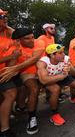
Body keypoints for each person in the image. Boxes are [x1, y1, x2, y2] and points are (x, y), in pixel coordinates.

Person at [0, 28, 44, 135]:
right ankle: (26, 113)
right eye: (27, 39)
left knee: (35, 88)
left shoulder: (39, 42)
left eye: (32, 37)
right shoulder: (13, 49)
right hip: (25, 73)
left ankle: (28, 115)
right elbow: (10, 71)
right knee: (26, 89)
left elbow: (34, 58)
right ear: (18, 41)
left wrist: (15, 68)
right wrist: (14, 57)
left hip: (39, 70)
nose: (32, 40)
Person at [37, 44, 75, 126]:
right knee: (55, 89)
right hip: (50, 79)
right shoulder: (43, 62)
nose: (64, 55)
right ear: (52, 55)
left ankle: (73, 98)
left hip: (61, 76)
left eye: (63, 52)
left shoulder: (65, 59)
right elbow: (44, 80)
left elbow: (74, 72)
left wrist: (69, 67)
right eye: (60, 53)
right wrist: (62, 76)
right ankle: (54, 114)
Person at [0, 9, 21, 137]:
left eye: (5, 16)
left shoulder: (7, 33)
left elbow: (17, 35)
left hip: (6, 72)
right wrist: (11, 57)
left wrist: (6, 25)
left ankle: (5, 129)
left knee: (10, 93)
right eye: (2, 16)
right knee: (10, 93)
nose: (5, 18)